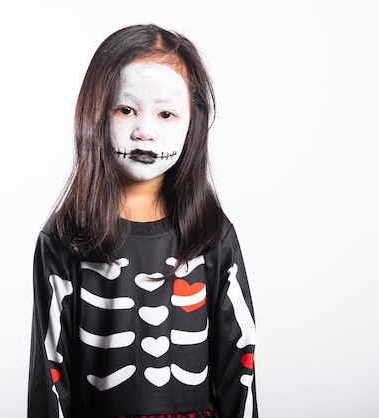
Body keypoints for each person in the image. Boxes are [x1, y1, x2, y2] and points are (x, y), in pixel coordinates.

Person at [28, 24, 257, 418]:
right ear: (96, 114)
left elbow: (240, 366)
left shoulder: (214, 236)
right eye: (125, 109)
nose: (145, 132)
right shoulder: (65, 237)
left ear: (193, 122)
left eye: (166, 113)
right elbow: (49, 375)